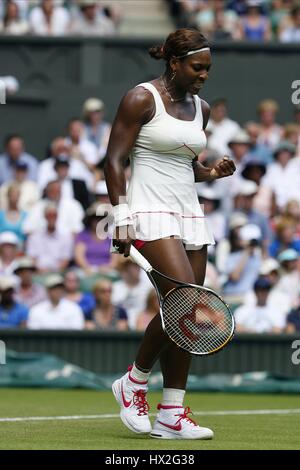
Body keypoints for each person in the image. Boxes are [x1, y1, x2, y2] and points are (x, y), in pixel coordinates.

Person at [104, 28, 236, 440]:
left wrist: (210, 173)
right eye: (198, 67)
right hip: (146, 212)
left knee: (189, 316)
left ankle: (172, 413)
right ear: (174, 63)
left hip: (188, 215)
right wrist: (121, 217)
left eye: (209, 69)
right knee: (182, 303)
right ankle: (134, 381)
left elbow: (181, 165)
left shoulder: (203, 109)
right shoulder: (140, 97)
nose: (204, 75)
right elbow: (113, 160)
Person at [26, 202, 74, 273]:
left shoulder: (66, 237)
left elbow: (65, 260)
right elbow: (32, 258)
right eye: (49, 215)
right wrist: (42, 270)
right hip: (38, 272)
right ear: (45, 216)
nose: (52, 218)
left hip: (58, 273)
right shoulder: (34, 236)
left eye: (54, 215)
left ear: (57, 216)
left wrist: (53, 272)